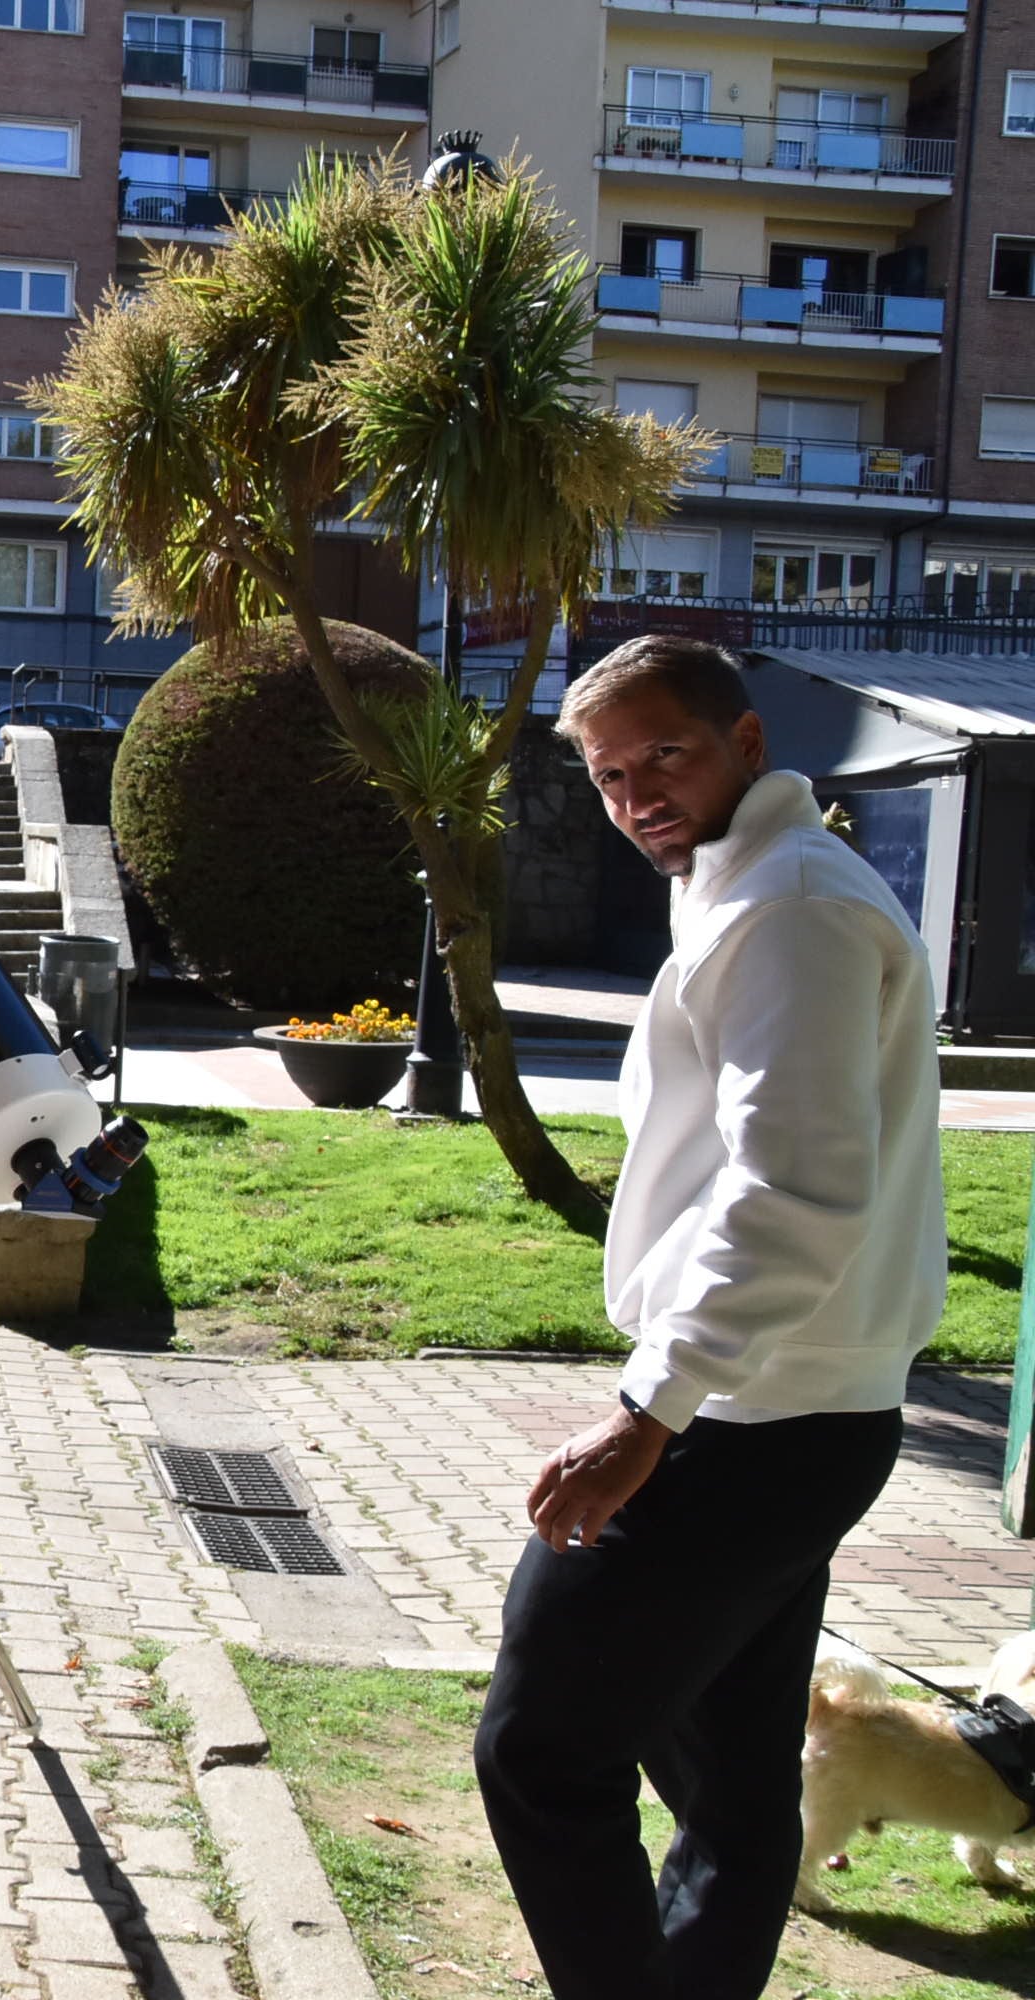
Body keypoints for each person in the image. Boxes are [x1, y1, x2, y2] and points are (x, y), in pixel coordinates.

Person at [473, 635, 944, 2000]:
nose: (637, 799)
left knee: (540, 1748)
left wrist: (650, 1410)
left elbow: (793, 1188)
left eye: (663, 757)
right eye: (610, 777)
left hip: (748, 1419)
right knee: (728, 1782)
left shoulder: (785, 903)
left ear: (746, 742)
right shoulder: (755, 880)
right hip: (802, 1407)